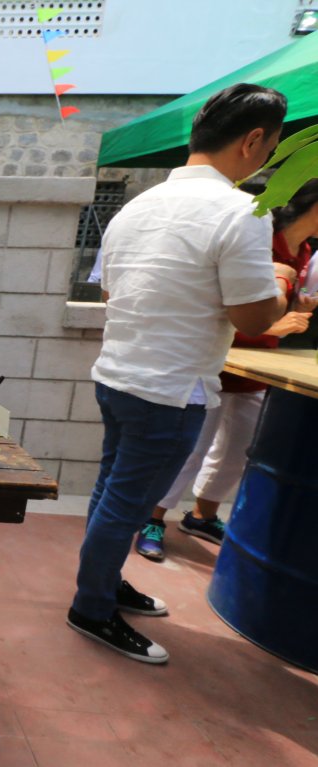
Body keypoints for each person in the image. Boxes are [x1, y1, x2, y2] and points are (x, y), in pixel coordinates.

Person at [70, 83, 289, 665]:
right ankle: (91, 607)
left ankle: (102, 586)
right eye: (270, 146)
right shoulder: (242, 212)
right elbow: (252, 315)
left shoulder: (134, 207)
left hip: (117, 375)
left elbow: (115, 292)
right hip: (170, 388)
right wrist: (282, 296)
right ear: (253, 141)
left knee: (111, 493)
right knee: (127, 503)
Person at [136, 179, 318, 561]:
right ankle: (152, 519)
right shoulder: (258, 235)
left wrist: (295, 310)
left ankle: (203, 514)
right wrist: (273, 325)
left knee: (238, 449)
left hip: (259, 366)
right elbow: (221, 306)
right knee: (191, 450)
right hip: (216, 359)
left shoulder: (302, 250)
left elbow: (273, 302)